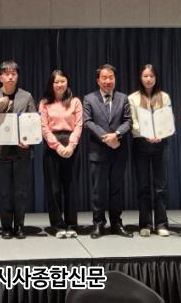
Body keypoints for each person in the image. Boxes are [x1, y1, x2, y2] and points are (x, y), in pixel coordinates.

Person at [0, 60, 36, 239]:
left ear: (17, 76)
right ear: (0, 77)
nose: (10, 77)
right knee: (4, 191)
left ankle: (19, 226)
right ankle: (5, 227)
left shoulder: (26, 97)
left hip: (22, 150)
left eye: (14, 74)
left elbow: (33, 122)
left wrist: (29, 142)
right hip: (0, 149)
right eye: (7, 74)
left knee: (21, 191)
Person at [83, 64, 133, 239]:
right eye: (104, 78)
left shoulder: (123, 98)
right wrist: (107, 137)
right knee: (98, 191)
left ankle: (116, 223)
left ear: (115, 79)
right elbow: (87, 122)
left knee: (116, 190)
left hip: (118, 150)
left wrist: (116, 135)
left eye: (111, 77)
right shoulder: (89, 98)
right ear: (98, 80)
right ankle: (98, 224)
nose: (108, 81)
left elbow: (128, 121)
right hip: (98, 152)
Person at [128, 64, 172, 238]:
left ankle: (161, 223)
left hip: (160, 144)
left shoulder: (164, 97)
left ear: (156, 78)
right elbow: (132, 122)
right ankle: (145, 224)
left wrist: (160, 134)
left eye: (151, 76)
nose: (148, 79)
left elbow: (168, 120)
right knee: (143, 186)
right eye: (145, 76)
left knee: (160, 187)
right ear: (140, 78)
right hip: (141, 144)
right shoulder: (133, 98)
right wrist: (146, 134)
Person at [38, 69, 83, 239]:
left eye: (62, 81)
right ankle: (57, 225)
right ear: (51, 84)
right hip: (52, 147)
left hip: (72, 145)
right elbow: (44, 127)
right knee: (54, 188)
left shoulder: (75, 102)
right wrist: (57, 146)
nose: (59, 84)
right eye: (56, 82)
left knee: (71, 187)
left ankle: (72, 224)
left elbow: (79, 125)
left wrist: (71, 146)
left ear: (67, 82)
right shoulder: (44, 103)